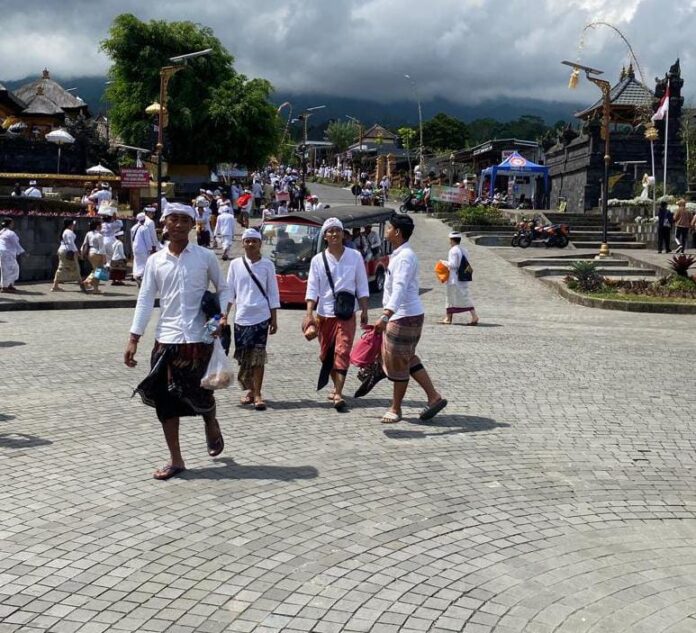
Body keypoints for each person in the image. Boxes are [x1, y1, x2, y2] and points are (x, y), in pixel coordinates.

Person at [124, 202, 230, 481]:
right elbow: (145, 299)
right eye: (174, 219)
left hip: (198, 339)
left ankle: (210, 419)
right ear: (164, 223)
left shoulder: (205, 257)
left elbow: (223, 288)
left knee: (201, 394)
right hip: (166, 340)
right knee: (165, 401)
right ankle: (176, 460)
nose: (179, 225)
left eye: (185, 220)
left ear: (193, 225)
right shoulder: (155, 261)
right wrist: (134, 338)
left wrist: (221, 315)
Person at [356, 214, 447, 424]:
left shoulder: (405, 257)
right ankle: (433, 397)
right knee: (407, 357)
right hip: (405, 314)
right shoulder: (399, 254)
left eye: (389, 228)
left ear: (397, 232)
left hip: (403, 316)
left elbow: (400, 288)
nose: (386, 231)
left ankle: (396, 408)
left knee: (398, 364)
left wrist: (386, 315)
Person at [304, 217, 369, 412]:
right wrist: (309, 314)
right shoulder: (317, 260)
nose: (334, 234)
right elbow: (312, 288)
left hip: (346, 312)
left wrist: (365, 309)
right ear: (325, 236)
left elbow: (362, 284)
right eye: (330, 231)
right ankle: (335, 385)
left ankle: (338, 393)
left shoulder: (355, 256)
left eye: (337, 230)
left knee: (342, 351)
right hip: (324, 313)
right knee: (326, 355)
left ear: (343, 234)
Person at [225, 228, 280, 411]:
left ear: (260, 244)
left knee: (258, 357)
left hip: (261, 316)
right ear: (243, 244)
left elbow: (273, 292)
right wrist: (224, 315)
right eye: (247, 241)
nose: (250, 244)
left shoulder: (267, 265)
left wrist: (274, 319)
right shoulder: (235, 264)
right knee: (244, 358)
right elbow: (229, 292)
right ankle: (250, 389)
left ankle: (257, 393)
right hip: (241, 318)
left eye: (254, 241)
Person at [440, 232, 479, 325]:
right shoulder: (464, 249)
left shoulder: (453, 250)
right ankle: (473, 316)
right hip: (462, 278)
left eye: (450, 240)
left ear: (452, 240)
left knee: (451, 298)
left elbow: (453, 265)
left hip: (454, 278)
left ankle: (449, 318)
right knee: (465, 297)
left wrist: (443, 262)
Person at [51, 218, 84, 292]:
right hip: (68, 251)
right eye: (73, 224)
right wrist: (76, 252)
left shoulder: (66, 231)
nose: (74, 225)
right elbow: (71, 243)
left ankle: (55, 285)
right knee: (74, 267)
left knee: (63, 267)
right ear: (70, 225)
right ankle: (81, 285)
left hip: (64, 250)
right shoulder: (68, 232)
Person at [131, 212, 158, 286]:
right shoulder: (144, 228)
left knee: (137, 263)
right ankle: (140, 277)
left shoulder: (134, 227)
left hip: (135, 248)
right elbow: (147, 240)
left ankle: (136, 275)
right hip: (143, 249)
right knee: (144, 264)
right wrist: (150, 249)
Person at [0, 218, 25, 293]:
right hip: (7, 254)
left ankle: (9, 284)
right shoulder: (10, 233)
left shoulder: (1, 232)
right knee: (7, 270)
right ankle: (4, 287)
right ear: (9, 224)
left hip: (5, 253)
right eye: (12, 223)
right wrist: (23, 252)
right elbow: (16, 244)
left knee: (14, 269)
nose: (13, 224)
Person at [81, 219, 106, 293]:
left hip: (90, 253)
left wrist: (82, 253)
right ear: (98, 226)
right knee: (98, 271)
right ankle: (89, 283)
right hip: (97, 253)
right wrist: (104, 257)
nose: (101, 226)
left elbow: (84, 244)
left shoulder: (88, 233)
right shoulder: (99, 235)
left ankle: (93, 286)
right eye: (100, 225)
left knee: (95, 270)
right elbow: (102, 248)